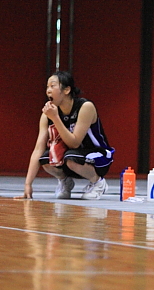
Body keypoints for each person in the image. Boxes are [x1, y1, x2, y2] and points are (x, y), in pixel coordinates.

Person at [16, 72, 114, 200]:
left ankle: (98, 182)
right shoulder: (47, 115)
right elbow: (38, 150)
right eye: (47, 87)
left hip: (98, 156)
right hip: (72, 157)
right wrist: (28, 184)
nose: (48, 91)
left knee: (71, 158)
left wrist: (56, 118)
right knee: (45, 159)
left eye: (52, 86)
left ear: (67, 90)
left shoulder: (85, 107)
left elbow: (75, 143)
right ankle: (65, 181)